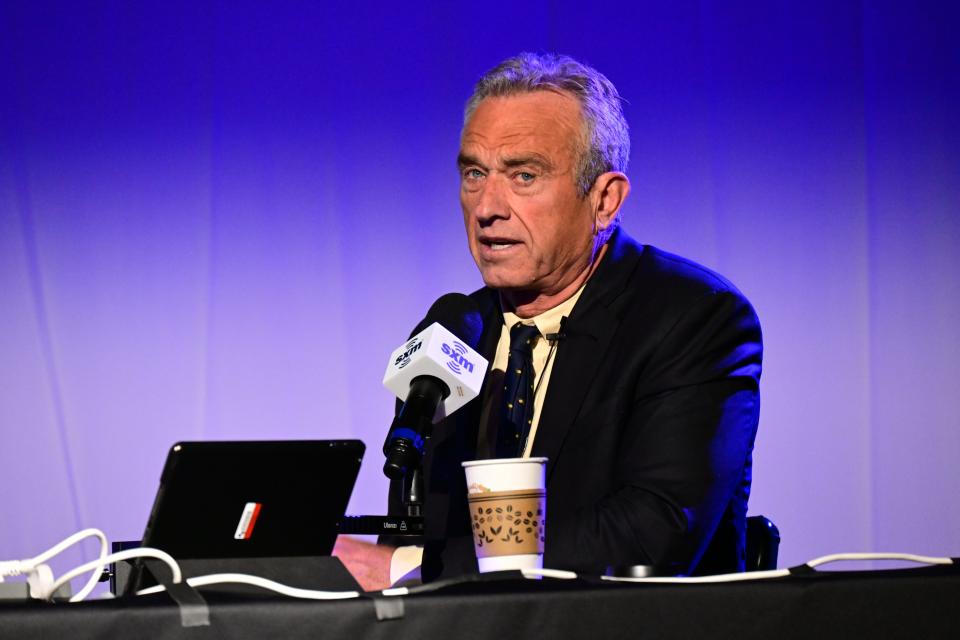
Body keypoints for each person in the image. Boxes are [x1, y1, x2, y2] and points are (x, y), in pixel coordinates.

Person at [335, 52, 762, 589]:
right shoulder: (456, 328)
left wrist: (411, 570)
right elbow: (422, 526)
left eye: (524, 175)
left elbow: (656, 532)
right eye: (474, 173)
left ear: (605, 200)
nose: (487, 206)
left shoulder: (691, 318)